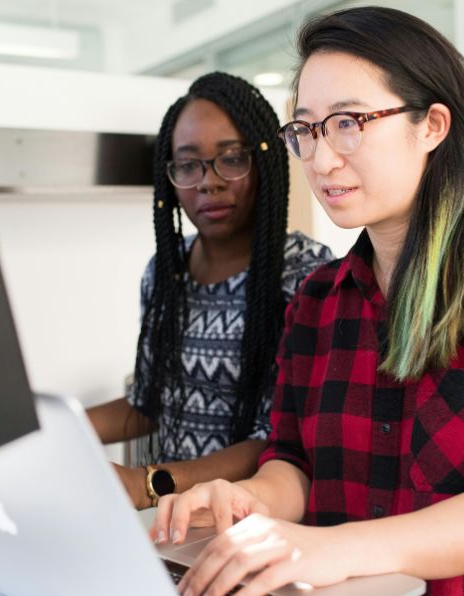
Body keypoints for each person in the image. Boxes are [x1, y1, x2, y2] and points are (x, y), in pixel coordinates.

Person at [151, 7, 464, 596]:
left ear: (433, 126)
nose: (321, 160)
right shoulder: (318, 299)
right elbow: (293, 461)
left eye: (349, 122)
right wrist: (250, 498)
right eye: (307, 130)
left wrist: (333, 547)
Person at [87, 72, 333, 511]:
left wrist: (149, 484)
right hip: (173, 523)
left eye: (231, 159)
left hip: (257, 523)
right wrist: (54, 430)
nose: (209, 181)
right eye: (188, 165)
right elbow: (149, 402)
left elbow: (280, 438)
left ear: (264, 163)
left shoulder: (306, 275)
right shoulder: (166, 272)